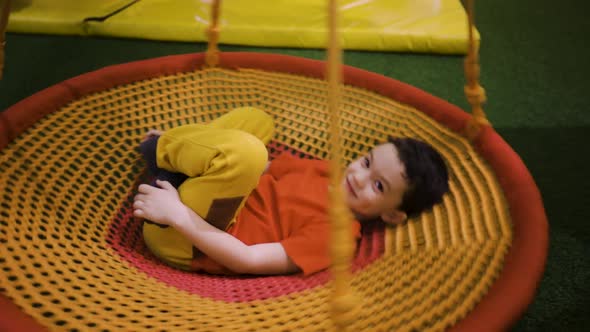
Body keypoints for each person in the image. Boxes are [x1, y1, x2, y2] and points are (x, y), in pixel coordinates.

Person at [133, 107, 449, 276]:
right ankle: (175, 154)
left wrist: (179, 215)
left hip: (187, 236)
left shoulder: (338, 236)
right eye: (366, 162)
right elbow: (266, 169)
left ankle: (163, 151)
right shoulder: (330, 172)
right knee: (257, 122)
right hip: (205, 195)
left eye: (379, 186)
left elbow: (248, 260)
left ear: (392, 213)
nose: (359, 177)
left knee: (248, 153)